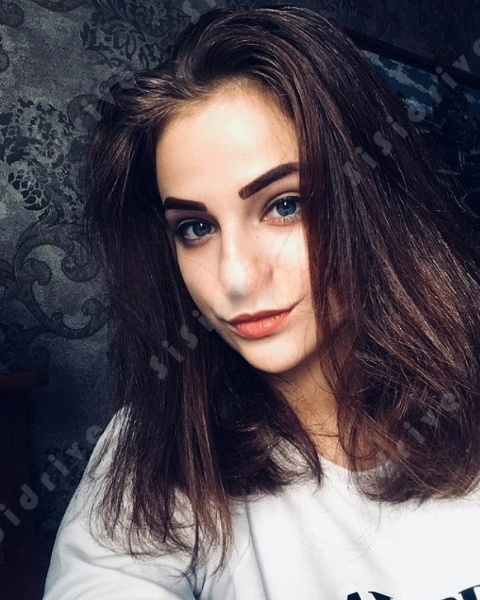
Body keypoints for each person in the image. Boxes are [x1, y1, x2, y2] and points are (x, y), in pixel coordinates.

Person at [43, 5, 480, 600]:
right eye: (196, 228)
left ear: (375, 200)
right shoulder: (159, 445)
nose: (237, 277)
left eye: (285, 205)